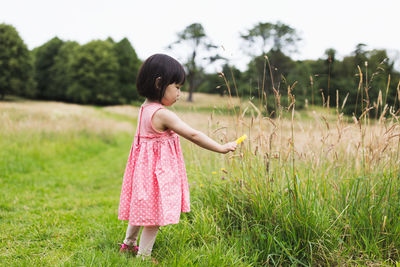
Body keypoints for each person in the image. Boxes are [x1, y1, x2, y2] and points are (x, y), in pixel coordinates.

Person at [118, 53, 237, 261]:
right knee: (152, 216)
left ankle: (128, 244)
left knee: (141, 207)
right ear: (159, 83)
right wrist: (221, 147)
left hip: (143, 171)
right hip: (157, 174)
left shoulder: (144, 108)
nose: (180, 93)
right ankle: (144, 257)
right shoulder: (162, 114)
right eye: (177, 87)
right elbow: (193, 134)